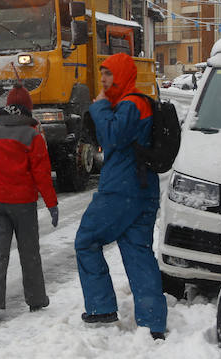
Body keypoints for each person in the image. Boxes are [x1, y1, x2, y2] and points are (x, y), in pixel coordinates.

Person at [74, 52, 167, 339]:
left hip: (121, 189)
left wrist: (100, 106)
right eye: (102, 74)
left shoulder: (130, 104)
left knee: (86, 240)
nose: (103, 79)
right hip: (142, 187)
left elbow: (113, 137)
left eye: (109, 74)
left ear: (123, 75)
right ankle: (153, 324)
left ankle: (101, 307)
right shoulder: (138, 103)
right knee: (137, 252)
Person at [0, 83, 58, 322]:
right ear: (27, 110)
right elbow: (41, 175)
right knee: (29, 252)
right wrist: (52, 204)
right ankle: (36, 300)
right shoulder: (32, 136)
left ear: (8, 107)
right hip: (23, 205)